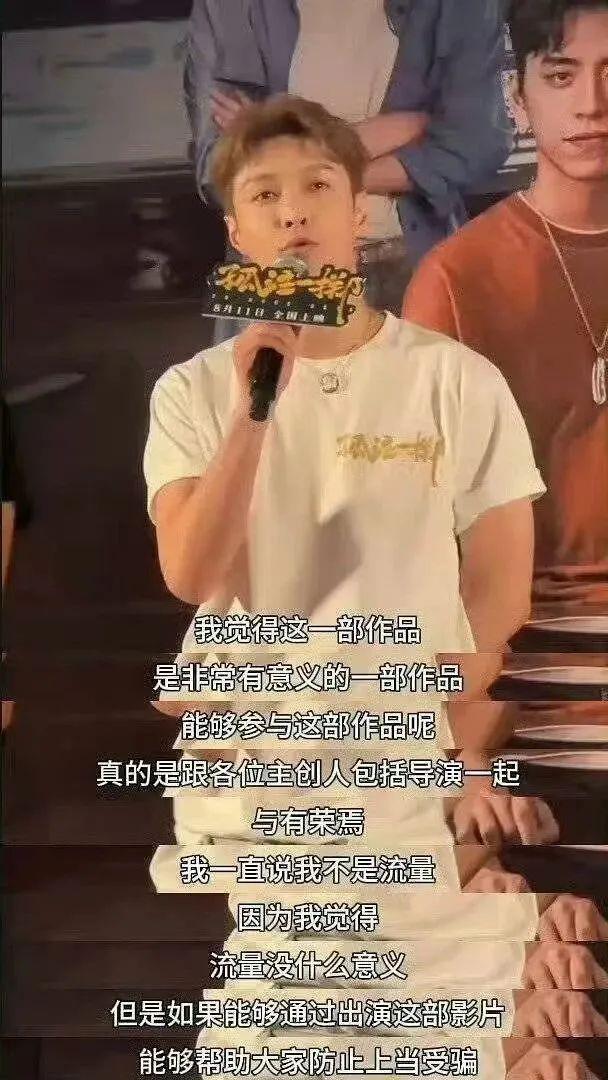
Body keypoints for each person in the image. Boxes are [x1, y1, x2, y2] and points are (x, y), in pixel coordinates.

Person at [404, 0, 608, 615]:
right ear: (517, 98)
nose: (591, 104)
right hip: (530, 621)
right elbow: (420, 514)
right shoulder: (456, 278)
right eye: (561, 75)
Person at [185, 0, 512, 327]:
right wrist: (395, 132)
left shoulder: (459, 6)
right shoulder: (230, 7)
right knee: (268, 361)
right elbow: (217, 171)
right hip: (280, 273)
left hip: (415, 259)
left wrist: (281, 151)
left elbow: (476, 143)